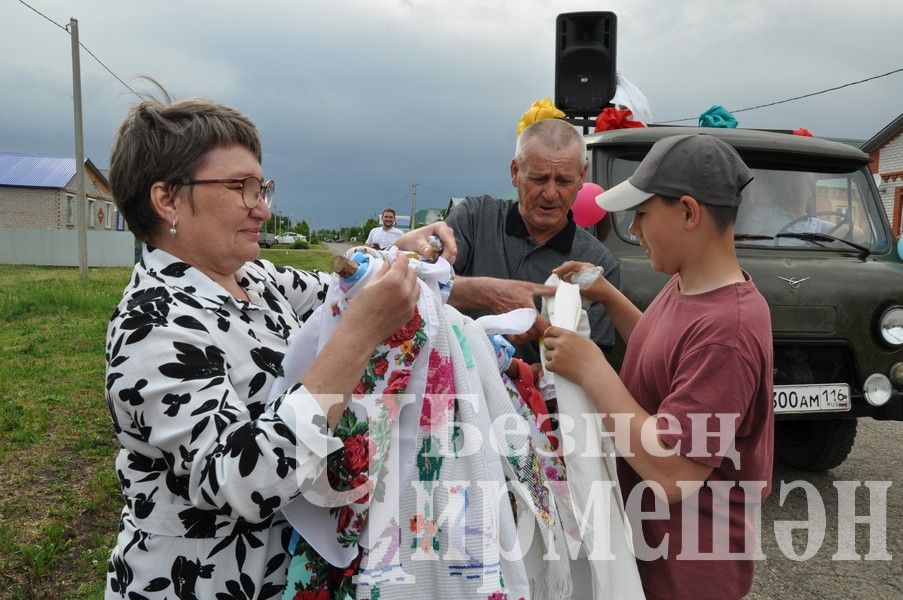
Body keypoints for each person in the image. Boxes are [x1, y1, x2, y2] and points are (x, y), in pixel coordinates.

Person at [103, 91, 455, 599]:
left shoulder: (253, 278)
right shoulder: (153, 323)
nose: (263, 208)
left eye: (262, 186)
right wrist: (358, 335)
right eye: (240, 187)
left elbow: (341, 284)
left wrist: (400, 247)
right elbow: (244, 480)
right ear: (167, 200)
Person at [543, 133, 774, 600]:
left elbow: (672, 473)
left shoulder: (727, 332)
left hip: (686, 571)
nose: (633, 229)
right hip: (650, 550)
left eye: (643, 215)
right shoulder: (689, 284)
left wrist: (591, 369)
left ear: (689, 213)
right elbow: (662, 347)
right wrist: (607, 294)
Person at [445, 117, 620, 363]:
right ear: (515, 172)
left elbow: (592, 364)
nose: (550, 194)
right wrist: (487, 293)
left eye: (564, 181)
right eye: (539, 179)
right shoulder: (475, 219)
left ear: (582, 177)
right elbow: (420, 288)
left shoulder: (598, 264)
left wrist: (534, 369)